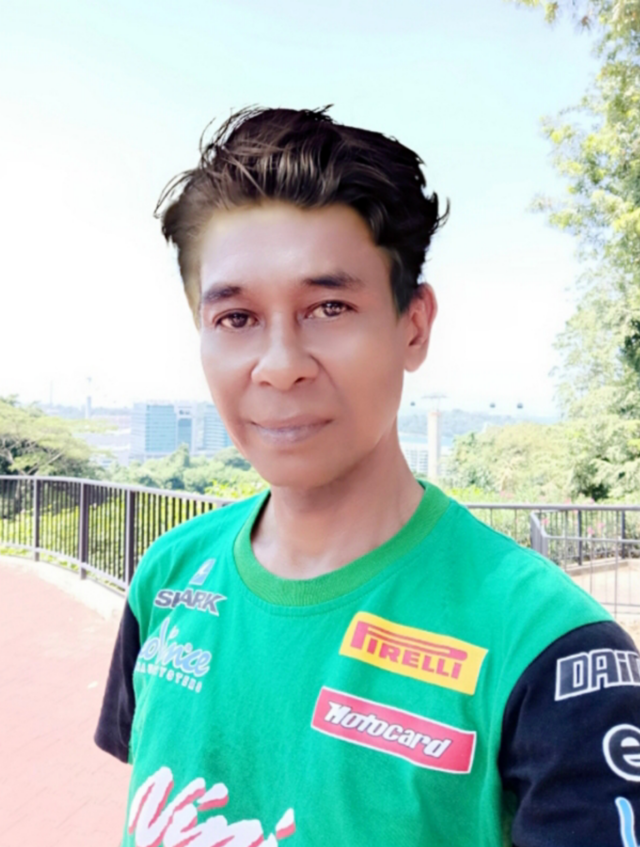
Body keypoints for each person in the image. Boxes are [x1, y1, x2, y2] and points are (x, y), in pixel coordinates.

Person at [95, 107, 640, 847]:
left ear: (413, 325)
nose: (280, 365)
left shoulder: (549, 651)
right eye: (236, 318)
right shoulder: (167, 577)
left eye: (329, 307)